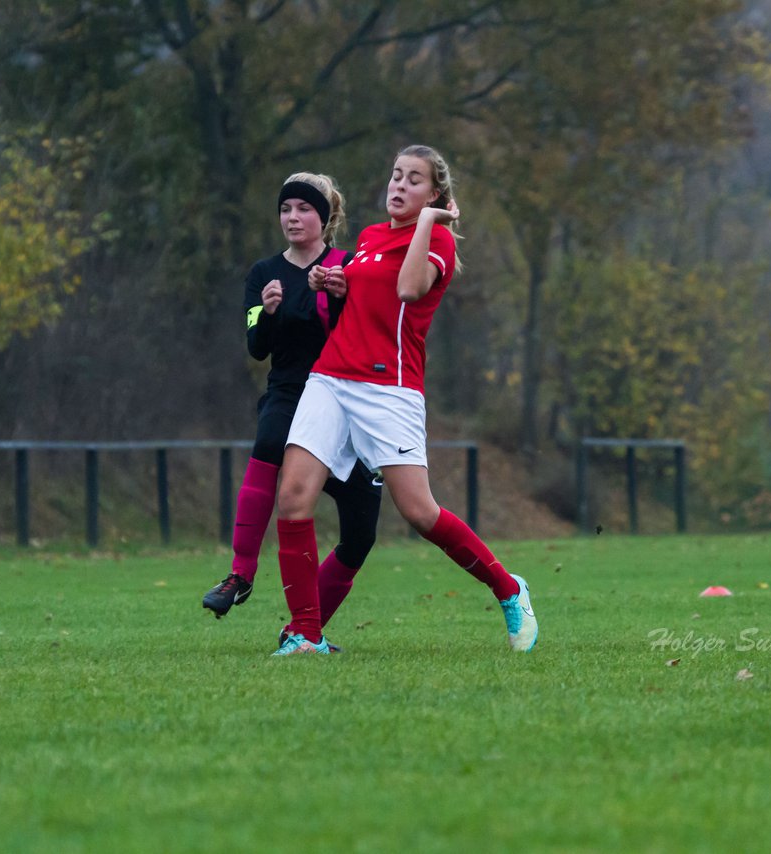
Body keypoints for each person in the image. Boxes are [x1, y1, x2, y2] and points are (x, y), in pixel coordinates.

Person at [271, 144, 538, 656]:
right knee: (294, 497)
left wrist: (427, 223)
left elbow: (410, 289)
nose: (398, 185)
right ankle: (306, 634)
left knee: (418, 511)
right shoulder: (370, 238)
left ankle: (509, 589)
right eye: (395, 175)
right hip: (330, 377)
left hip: (387, 387)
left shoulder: (436, 240)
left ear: (435, 195)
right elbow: (366, 293)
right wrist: (334, 281)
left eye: (414, 180)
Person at [202, 172, 382, 647]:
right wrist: (268, 312)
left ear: (324, 218)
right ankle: (240, 574)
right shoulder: (264, 275)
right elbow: (257, 346)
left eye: (304, 209)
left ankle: (306, 627)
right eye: (286, 209)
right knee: (267, 441)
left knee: (362, 528)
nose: (293, 217)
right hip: (288, 392)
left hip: (343, 400)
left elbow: (360, 336)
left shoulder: (345, 265)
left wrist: (338, 295)